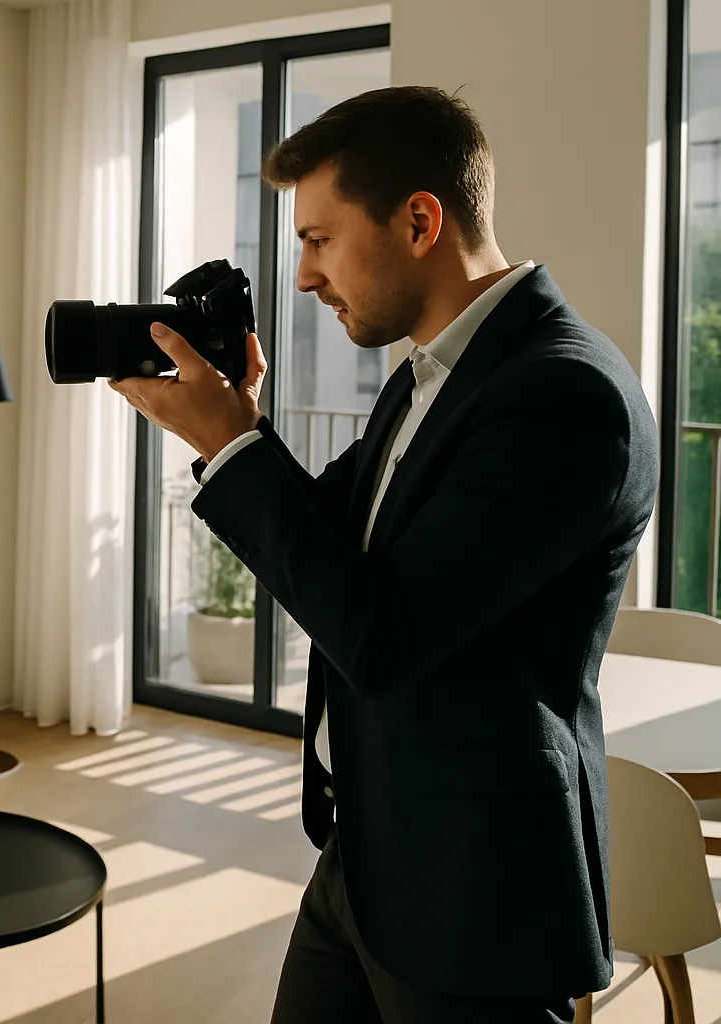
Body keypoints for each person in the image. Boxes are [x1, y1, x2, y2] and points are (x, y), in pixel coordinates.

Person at [111, 85, 659, 1023]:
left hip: (473, 894)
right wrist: (231, 430)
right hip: (365, 855)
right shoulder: (428, 376)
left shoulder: (566, 396)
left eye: (320, 240)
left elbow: (384, 637)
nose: (303, 277)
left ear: (418, 221)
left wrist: (236, 451)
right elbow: (334, 540)